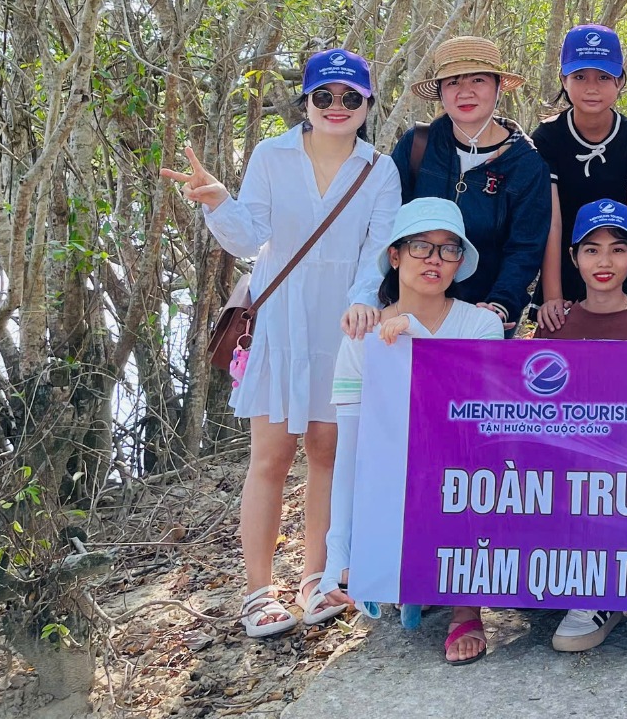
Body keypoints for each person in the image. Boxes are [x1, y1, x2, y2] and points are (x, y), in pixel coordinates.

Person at [161, 49, 400, 638]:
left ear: (368, 103)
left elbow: (378, 251)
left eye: (351, 97)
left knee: (327, 452)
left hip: (343, 326)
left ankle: (317, 578)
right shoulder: (271, 155)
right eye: (325, 96)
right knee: (270, 456)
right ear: (306, 102)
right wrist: (218, 201)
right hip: (280, 321)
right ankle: (257, 592)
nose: (337, 106)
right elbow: (250, 238)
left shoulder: (380, 170)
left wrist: (364, 299)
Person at [325, 198, 503, 663]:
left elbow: (469, 417)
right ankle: (404, 576)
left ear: (460, 262)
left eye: (449, 249)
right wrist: (338, 553)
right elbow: (350, 451)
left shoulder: (482, 324)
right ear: (396, 255)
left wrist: (418, 338)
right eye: (421, 246)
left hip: (463, 470)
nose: (434, 259)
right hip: (394, 479)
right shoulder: (361, 336)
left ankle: (466, 606)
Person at [534, 200, 627, 651]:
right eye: (592, 249)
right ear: (574, 257)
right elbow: (533, 415)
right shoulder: (555, 325)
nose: (605, 262)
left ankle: (609, 588)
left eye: (618, 249)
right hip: (571, 474)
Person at [343, 37, 549, 335]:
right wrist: (369, 298)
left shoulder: (525, 163)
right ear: (440, 92)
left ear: (498, 87)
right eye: (453, 82)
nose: (465, 92)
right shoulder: (418, 145)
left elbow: (525, 247)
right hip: (405, 315)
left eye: (478, 80)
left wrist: (501, 303)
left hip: (479, 318)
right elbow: (385, 225)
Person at [531, 24, 627, 311]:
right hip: (566, 270)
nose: (591, 88)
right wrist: (552, 298)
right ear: (563, 80)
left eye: (603, 77)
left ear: (620, 81)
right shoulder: (548, 137)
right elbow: (552, 222)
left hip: (620, 271)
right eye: (579, 76)